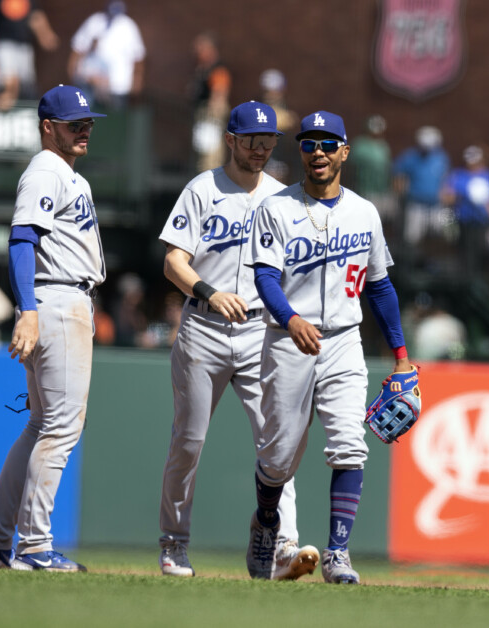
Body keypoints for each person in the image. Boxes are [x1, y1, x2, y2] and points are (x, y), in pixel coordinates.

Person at [247, 110, 413, 584]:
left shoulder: (365, 212)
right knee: (278, 456)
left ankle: (338, 553)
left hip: (344, 340)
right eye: (308, 144)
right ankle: (266, 523)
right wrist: (290, 317)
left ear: (344, 151)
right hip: (287, 340)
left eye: (326, 144)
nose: (316, 152)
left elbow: (380, 288)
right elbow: (263, 276)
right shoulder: (276, 208)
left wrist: (401, 356)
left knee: (349, 447)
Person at [156, 101, 318, 580]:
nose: (260, 148)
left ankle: (281, 543)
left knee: (279, 442)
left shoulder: (285, 196)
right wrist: (208, 290)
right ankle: (174, 541)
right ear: (230, 139)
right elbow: (173, 262)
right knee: (188, 442)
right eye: (251, 140)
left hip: (259, 330)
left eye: (267, 140)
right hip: (204, 326)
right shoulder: (203, 188)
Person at [0, 84, 106, 572]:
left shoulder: (65, 173)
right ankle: (34, 548)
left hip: (61, 298)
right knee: (60, 427)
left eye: (88, 122)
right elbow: (21, 240)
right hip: (57, 298)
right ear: (48, 127)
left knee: (39, 425)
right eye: (75, 123)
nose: (85, 129)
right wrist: (26, 309)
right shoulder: (47, 169)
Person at [439, 143, 489, 278]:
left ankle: (481, 280)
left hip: (483, 224)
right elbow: (446, 196)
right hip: (465, 223)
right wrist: (463, 196)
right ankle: (467, 281)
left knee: (484, 253)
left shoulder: (488, 176)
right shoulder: (458, 175)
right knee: (466, 255)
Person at [0, 0, 59, 109]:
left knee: (26, 84)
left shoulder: (30, 2)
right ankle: (1, 109)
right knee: (9, 81)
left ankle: (22, 110)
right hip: (4, 45)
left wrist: (45, 35)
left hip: (25, 46)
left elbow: (37, 18)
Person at [68, 1, 146, 109]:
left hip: (118, 87)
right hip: (90, 87)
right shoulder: (94, 21)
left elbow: (138, 56)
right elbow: (78, 48)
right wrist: (74, 76)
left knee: (114, 120)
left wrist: (137, 81)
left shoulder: (128, 26)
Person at [392, 125, 450, 247]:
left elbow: (445, 178)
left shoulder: (441, 157)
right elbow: (398, 172)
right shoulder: (411, 156)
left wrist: (445, 193)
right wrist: (400, 192)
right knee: (412, 238)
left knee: (440, 235)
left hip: (435, 206)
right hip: (416, 205)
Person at [189, 32, 231, 173]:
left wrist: (212, 117)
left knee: (210, 158)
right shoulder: (202, 69)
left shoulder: (217, 69)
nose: (197, 52)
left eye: (200, 48)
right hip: (201, 116)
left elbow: (219, 95)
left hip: (210, 117)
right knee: (201, 155)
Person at [346, 114, 395, 223]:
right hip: (364, 191)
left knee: (381, 221)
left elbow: (387, 167)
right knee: (365, 220)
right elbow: (350, 167)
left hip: (382, 191)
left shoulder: (383, 146)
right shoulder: (360, 145)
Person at [259, 68, 300, 184]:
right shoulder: (257, 107)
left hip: (280, 159)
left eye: (274, 90)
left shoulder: (287, 108)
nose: (270, 94)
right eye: (267, 90)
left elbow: (291, 121)